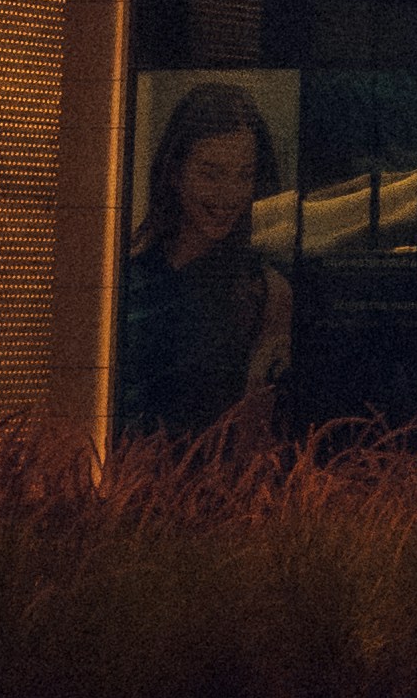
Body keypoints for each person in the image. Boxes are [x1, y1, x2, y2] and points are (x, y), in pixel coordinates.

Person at [120, 85, 294, 450]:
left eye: (243, 175)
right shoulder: (125, 276)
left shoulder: (265, 291)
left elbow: (254, 436)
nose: (229, 194)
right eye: (211, 173)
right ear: (175, 173)